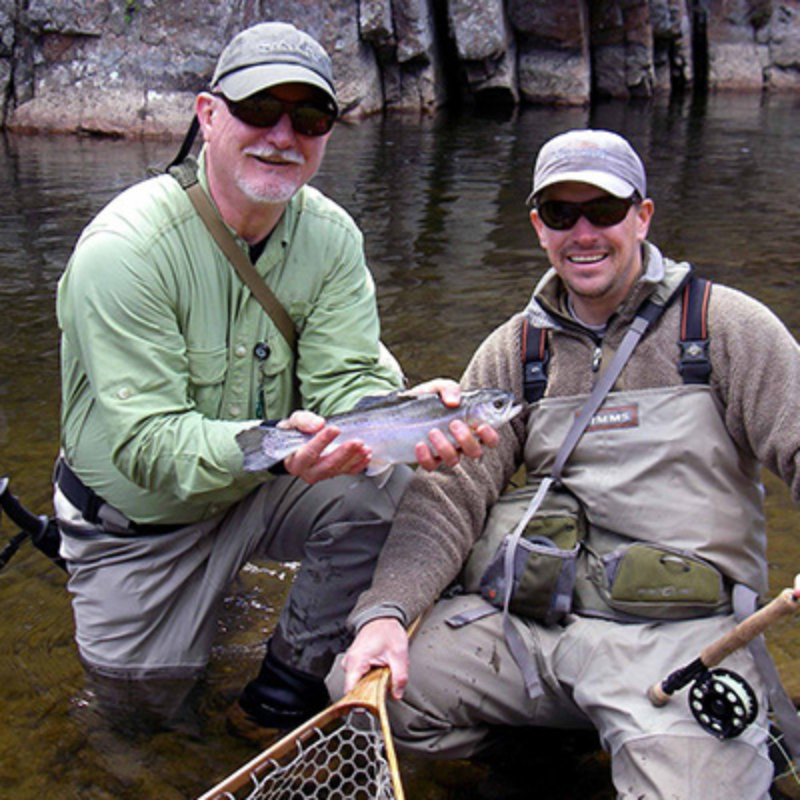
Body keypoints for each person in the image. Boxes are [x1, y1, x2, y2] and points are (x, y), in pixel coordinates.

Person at [53, 21, 494, 740]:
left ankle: (280, 697)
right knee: (141, 720)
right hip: (140, 525)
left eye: (309, 118)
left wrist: (409, 417)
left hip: (258, 483)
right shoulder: (125, 252)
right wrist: (277, 445)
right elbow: (147, 447)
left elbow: (346, 376)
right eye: (260, 110)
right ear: (207, 115)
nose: (282, 135)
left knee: (392, 483)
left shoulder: (331, 238)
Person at [337, 128, 800, 798]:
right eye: (561, 214)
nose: (584, 233)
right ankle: (554, 743)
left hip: (680, 636)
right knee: (370, 693)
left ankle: (649, 734)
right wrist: (385, 612)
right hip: (540, 626)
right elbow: (447, 501)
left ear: (642, 217)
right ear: (538, 227)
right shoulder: (515, 352)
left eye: (605, 211)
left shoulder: (725, 328)